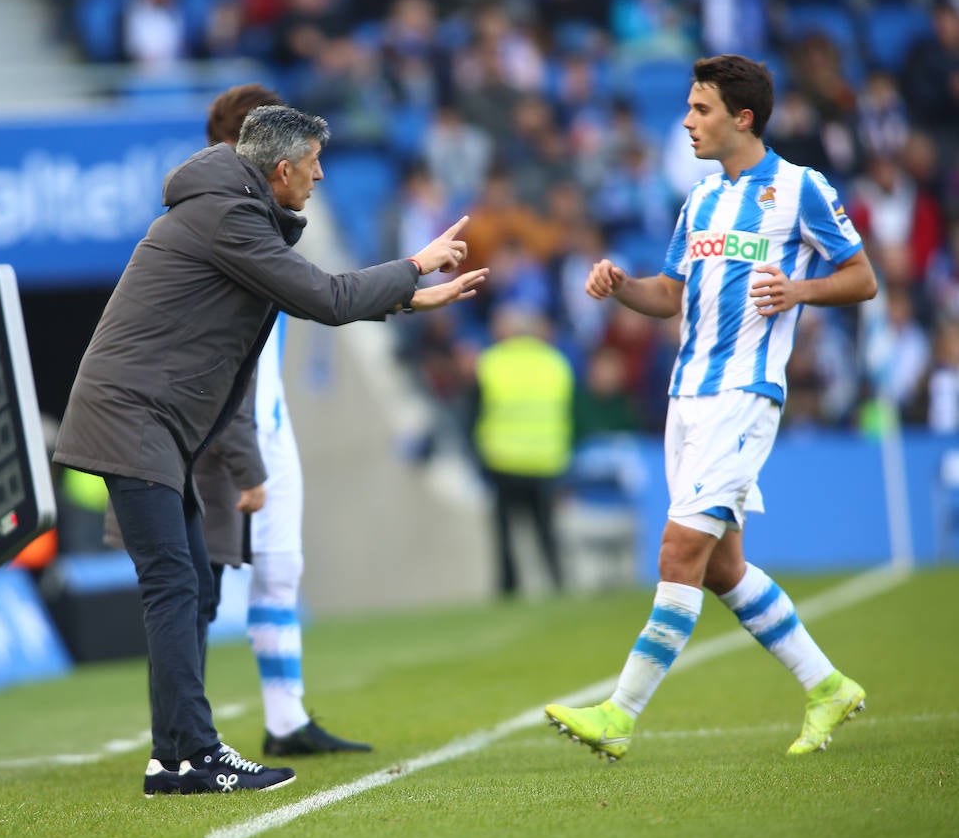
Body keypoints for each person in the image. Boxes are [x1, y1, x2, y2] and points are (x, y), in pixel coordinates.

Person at [54, 104, 488, 796]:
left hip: (152, 421)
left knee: (187, 582)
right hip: (134, 419)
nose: (320, 176)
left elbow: (318, 294)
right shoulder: (229, 216)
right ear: (280, 169)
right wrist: (414, 266)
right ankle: (194, 753)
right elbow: (323, 295)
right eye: (313, 164)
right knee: (175, 585)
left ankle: (171, 758)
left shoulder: (227, 208)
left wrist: (411, 300)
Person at [544, 55, 878, 761]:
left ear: (743, 118)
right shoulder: (699, 200)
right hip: (686, 396)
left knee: (678, 550)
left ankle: (620, 713)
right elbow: (669, 294)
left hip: (744, 395)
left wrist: (800, 291)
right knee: (724, 567)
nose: (688, 122)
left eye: (701, 110)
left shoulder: (799, 189)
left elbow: (862, 276)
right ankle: (828, 686)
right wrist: (620, 285)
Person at [200, 84, 371, 756]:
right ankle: (186, 730)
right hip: (223, 426)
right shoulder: (218, 225)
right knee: (200, 584)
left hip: (270, 416)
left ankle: (285, 720)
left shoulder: (265, 223)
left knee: (281, 567)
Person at [469, 305, 574, 596]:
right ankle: (558, 583)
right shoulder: (556, 363)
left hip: (503, 460)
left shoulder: (491, 362)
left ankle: (508, 587)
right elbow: (568, 412)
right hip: (546, 460)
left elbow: (475, 411)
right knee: (547, 531)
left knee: (505, 534)